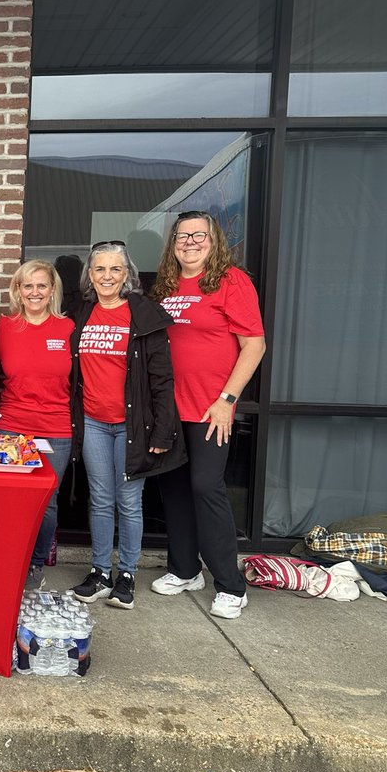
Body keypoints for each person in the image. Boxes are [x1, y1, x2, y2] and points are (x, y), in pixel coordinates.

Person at [149, 211, 266, 620]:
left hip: (211, 409)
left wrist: (228, 400)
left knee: (206, 487)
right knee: (175, 489)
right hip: (170, 409)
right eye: (183, 236)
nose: (191, 242)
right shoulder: (165, 285)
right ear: (173, 243)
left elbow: (254, 345)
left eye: (199, 235)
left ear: (214, 240)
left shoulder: (232, 281)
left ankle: (231, 586)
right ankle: (184, 570)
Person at [70, 241, 185, 610]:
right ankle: (101, 571)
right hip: (93, 422)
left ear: (127, 275)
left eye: (115, 270)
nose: (107, 276)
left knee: (129, 502)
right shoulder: (81, 313)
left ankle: (128, 573)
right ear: (90, 275)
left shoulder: (144, 315)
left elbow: (163, 378)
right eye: (100, 269)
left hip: (132, 425)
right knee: (101, 499)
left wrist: (163, 430)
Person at [0, 260, 75, 574]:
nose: (35, 292)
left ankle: (35, 564)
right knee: (10, 500)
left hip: (55, 429)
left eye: (42, 285)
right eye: (27, 285)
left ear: (52, 289)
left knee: (46, 502)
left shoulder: (68, 328)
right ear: (18, 290)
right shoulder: (5, 327)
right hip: (12, 427)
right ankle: (9, 560)